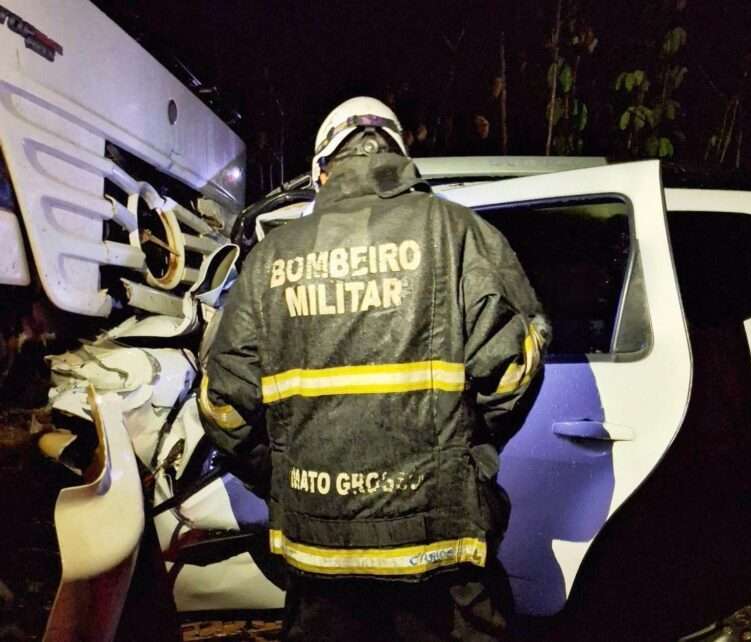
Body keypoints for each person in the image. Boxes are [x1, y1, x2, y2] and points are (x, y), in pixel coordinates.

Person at [199, 96, 549, 641]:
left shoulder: (270, 257)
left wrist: (283, 476)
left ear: (321, 172)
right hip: (439, 546)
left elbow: (223, 404)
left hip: (319, 551)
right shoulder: (458, 234)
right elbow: (513, 369)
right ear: (401, 154)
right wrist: (460, 456)